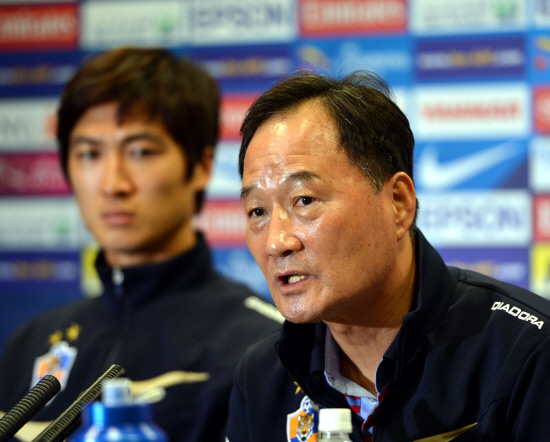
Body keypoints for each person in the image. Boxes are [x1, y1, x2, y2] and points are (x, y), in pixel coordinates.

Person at [225, 70, 550, 442]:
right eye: (257, 211)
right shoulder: (260, 378)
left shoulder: (527, 355)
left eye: (304, 200)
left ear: (398, 203)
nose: (275, 242)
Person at [0, 47, 282, 442]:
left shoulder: (265, 345)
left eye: (140, 152)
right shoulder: (28, 345)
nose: (113, 184)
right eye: (89, 153)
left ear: (201, 167)